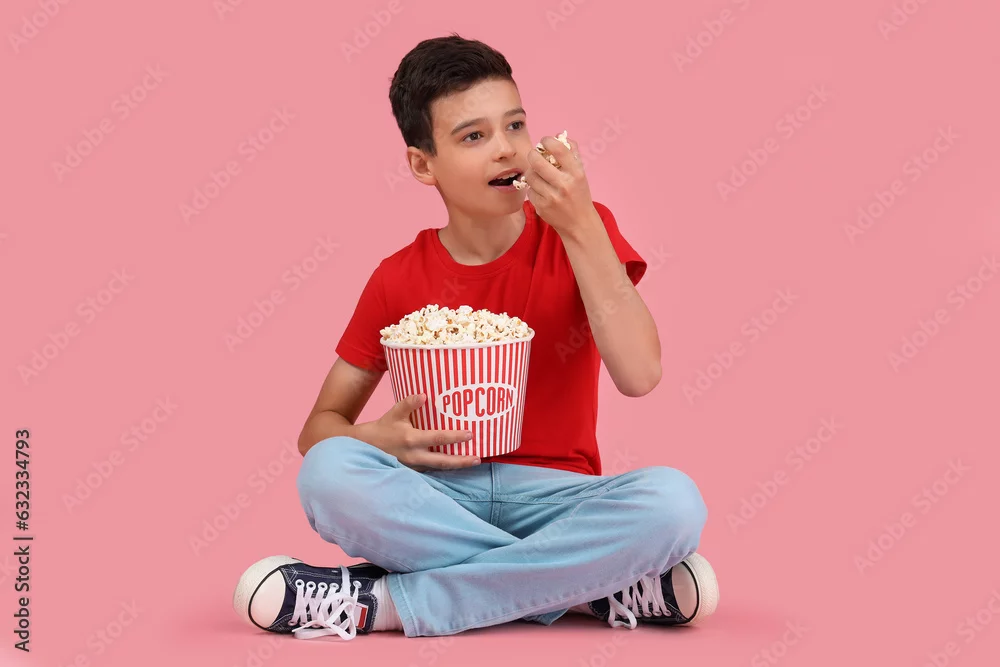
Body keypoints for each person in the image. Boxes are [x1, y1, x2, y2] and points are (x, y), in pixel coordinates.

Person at [232, 33, 717, 641]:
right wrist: (378, 440)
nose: (506, 149)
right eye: (473, 136)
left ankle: (382, 603)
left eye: (515, 125)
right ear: (422, 165)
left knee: (674, 504)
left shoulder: (583, 231)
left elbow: (640, 375)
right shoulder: (396, 278)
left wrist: (580, 225)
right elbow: (318, 430)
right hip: (435, 499)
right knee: (328, 473)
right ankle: (590, 588)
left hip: (560, 500)